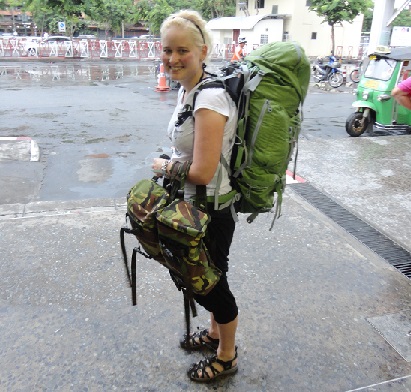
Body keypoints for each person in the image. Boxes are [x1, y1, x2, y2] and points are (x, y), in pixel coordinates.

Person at [151, 9, 239, 383]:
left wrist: (161, 166)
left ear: (203, 51)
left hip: (211, 209)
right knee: (209, 275)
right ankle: (216, 333)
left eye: (182, 50)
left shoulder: (210, 98)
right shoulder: (190, 89)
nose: (172, 58)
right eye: (167, 49)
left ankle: (226, 356)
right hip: (195, 206)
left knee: (211, 285)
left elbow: (203, 172)